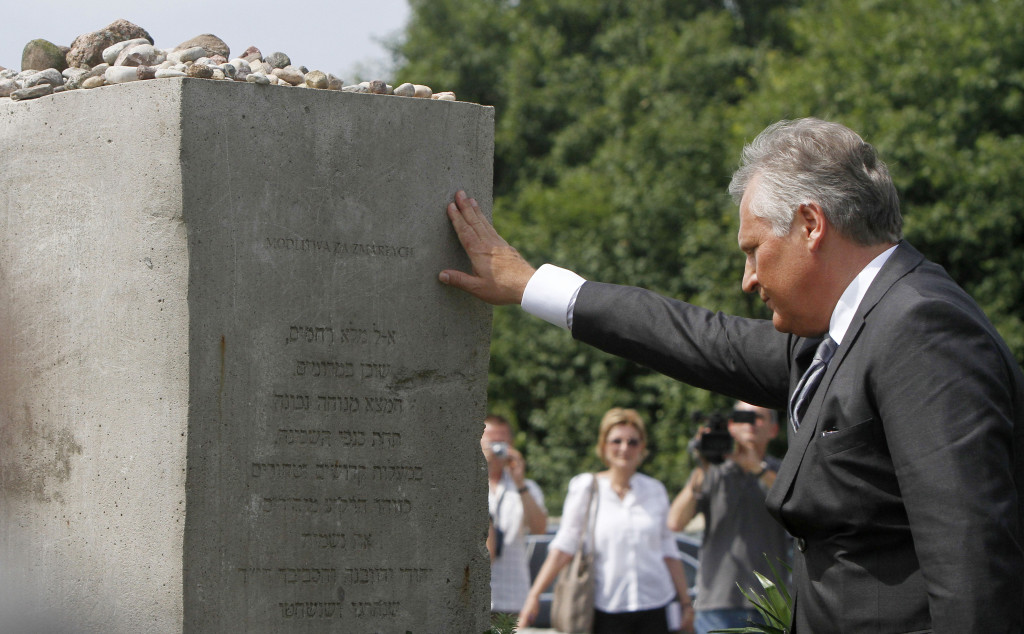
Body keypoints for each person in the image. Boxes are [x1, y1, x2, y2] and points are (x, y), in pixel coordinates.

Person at [438, 118, 1024, 633]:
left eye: (753, 249)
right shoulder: (843, 336)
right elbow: (695, 337)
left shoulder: (920, 328)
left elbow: (972, 567)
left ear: (810, 224)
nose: (747, 277)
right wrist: (531, 285)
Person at [519, 408, 694, 633]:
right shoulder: (586, 487)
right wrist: (534, 595)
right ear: (603, 446)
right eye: (616, 441)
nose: (624, 448)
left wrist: (686, 603)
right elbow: (565, 545)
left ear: (642, 447)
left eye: (632, 442)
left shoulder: (654, 490)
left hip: (656, 604)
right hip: (606, 607)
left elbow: (669, 551)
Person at [667, 401, 791, 634]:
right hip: (717, 605)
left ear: (774, 430)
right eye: (744, 418)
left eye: (759, 418)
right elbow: (675, 522)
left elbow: (796, 505)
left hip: (770, 604)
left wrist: (757, 468)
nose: (751, 425)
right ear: (731, 426)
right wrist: (701, 467)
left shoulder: (782, 473)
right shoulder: (712, 473)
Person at [481, 414, 549, 616]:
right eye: (492, 440)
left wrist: (519, 483)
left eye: (503, 440)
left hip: (513, 595)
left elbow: (540, 529)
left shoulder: (527, 487)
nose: (497, 446)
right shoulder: (464, 484)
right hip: (474, 595)